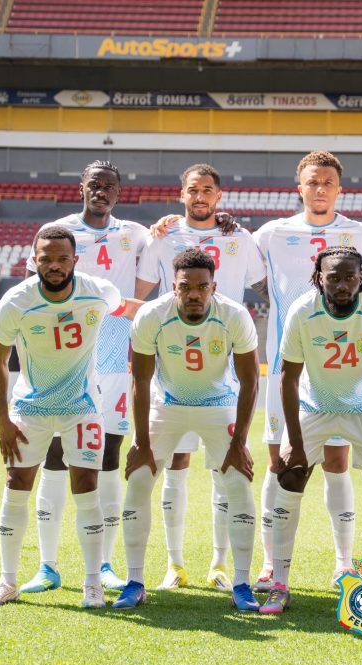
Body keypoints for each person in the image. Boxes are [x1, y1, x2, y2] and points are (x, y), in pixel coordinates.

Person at [0, 226, 141, 608]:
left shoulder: (98, 290)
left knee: (87, 485)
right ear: (34, 260)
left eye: (62, 259)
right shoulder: (15, 302)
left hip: (81, 407)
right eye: (46, 258)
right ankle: (7, 581)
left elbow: (126, 307)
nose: (54, 265)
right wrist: (2, 421)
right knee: (17, 483)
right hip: (30, 408)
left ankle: (91, 584)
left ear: (74, 261)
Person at [251, 151, 362, 591]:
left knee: (336, 459)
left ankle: (343, 563)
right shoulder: (271, 234)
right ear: (300, 187)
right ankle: (271, 561)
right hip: (287, 367)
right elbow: (236, 267)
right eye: (313, 181)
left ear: (339, 188)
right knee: (279, 461)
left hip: (342, 365)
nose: (321, 188)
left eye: (328, 181)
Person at [135, 163, 267, 593]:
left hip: (220, 374)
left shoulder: (238, 237)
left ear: (220, 196)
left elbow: (267, 288)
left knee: (222, 470)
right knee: (175, 466)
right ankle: (174, 564)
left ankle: (219, 563)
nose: (200, 196)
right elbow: (141, 292)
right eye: (193, 189)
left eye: (208, 189)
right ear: (181, 193)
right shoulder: (162, 236)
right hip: (173, 368)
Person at [21, 161, 150, 593]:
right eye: (94, 184)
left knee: (109, 456)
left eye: (109, 186)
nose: (101, 191)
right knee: (57, 455)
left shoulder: (136, 233)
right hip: (67, 359)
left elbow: (165, 259)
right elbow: (35, 292)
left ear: (119, 192)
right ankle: (47, 565)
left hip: (114, 360)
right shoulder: (56, 230)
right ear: (82, 187)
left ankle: (106, 562)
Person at [115, 248, 261, 611]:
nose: (194, 294)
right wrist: (142, 442)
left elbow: (248, 382)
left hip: (218, 404)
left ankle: (242, 583)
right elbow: (142, 381)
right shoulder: (151, 315)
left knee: (238, 483)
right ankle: (135, 581)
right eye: (185, 287)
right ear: (174, 287)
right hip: (169, 405)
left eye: (201, 287)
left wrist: (240, 441)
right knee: (138, 481)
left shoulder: (234, 315)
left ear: (213, 287)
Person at [259, 247, 362, 614]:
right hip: (314, 407)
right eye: (333, 277)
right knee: (289, 478)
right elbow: (289, 379)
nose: (342, 284)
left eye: (349, 277)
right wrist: (295, 441)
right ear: (319, 277)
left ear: (361, 277)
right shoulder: (303, 311)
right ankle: (280, 584)